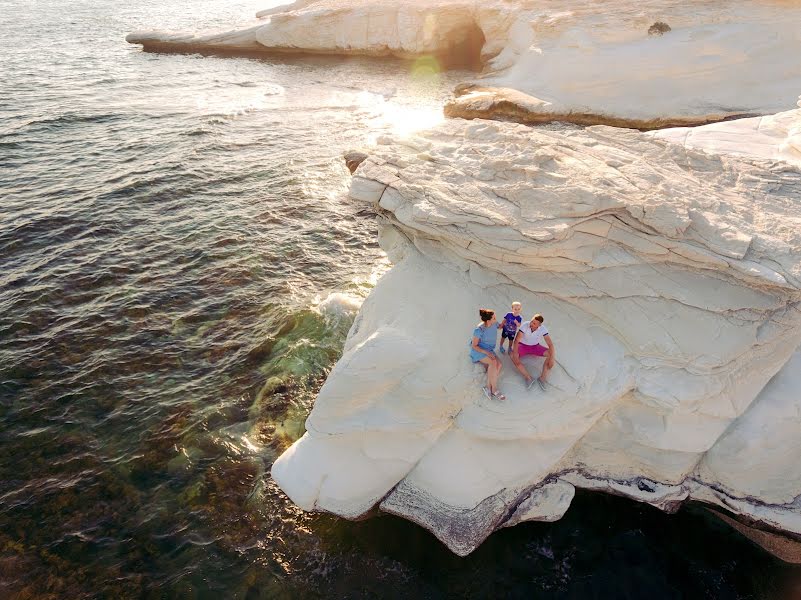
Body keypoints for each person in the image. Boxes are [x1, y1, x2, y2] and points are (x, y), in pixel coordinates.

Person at [511, 314, 555, 391]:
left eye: (534, 323)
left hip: (535, 347)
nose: (531, 324)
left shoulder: (543, 329)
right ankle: (528, 378)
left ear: (539, 325)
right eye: (531, 321)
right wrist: (515, 353)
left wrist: (552, 358)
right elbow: (517, 340)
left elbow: (550, 344)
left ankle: (542, 379)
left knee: (550, 354)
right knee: (512, 356)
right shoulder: (525, 325)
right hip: (522, 346)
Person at [469, 308, 505, 400]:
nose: (495, 319)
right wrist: (487, 353)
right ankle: (494, 389)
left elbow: (500, 326)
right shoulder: (479, 329)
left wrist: (507, 320)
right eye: (494, 318)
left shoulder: (494, 323)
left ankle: (488, 387)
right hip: (479, 350)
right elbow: (474, 346)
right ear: (488, 320)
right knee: (493, 362)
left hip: (489, 349)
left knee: (499, 364)